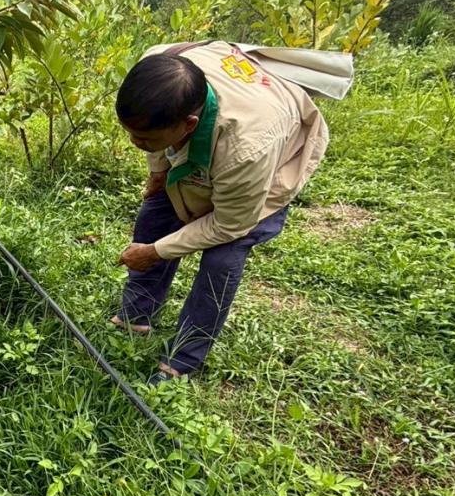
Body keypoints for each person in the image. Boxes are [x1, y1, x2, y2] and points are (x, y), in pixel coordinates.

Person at [113, 41, 329, 384]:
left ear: (188, 124)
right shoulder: (159, 67)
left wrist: (155, 252)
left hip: (275, 152)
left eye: (142, 138)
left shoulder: (247, 149)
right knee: (156, 213)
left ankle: (183, 357)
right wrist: (157, 171)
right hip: (229, 121)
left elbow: (229, 224)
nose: (132, 142)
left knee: (222, 258)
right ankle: (136, 314)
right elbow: (155, 141)